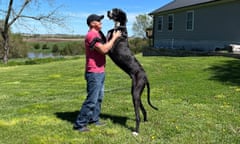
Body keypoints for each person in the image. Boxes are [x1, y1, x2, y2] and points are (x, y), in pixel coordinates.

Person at [73, 14, 121, 132]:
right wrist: (114, 38)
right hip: (94, 72)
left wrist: (116, 28)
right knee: (92, 99)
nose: (101, 22)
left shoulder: (98, 34)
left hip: (100, 71)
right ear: (92, 23)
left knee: (99, 98)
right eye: (98, 21)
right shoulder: (91, 35)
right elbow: (104, 50)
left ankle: (94, 119)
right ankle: (80, 124)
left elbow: (107, 43)